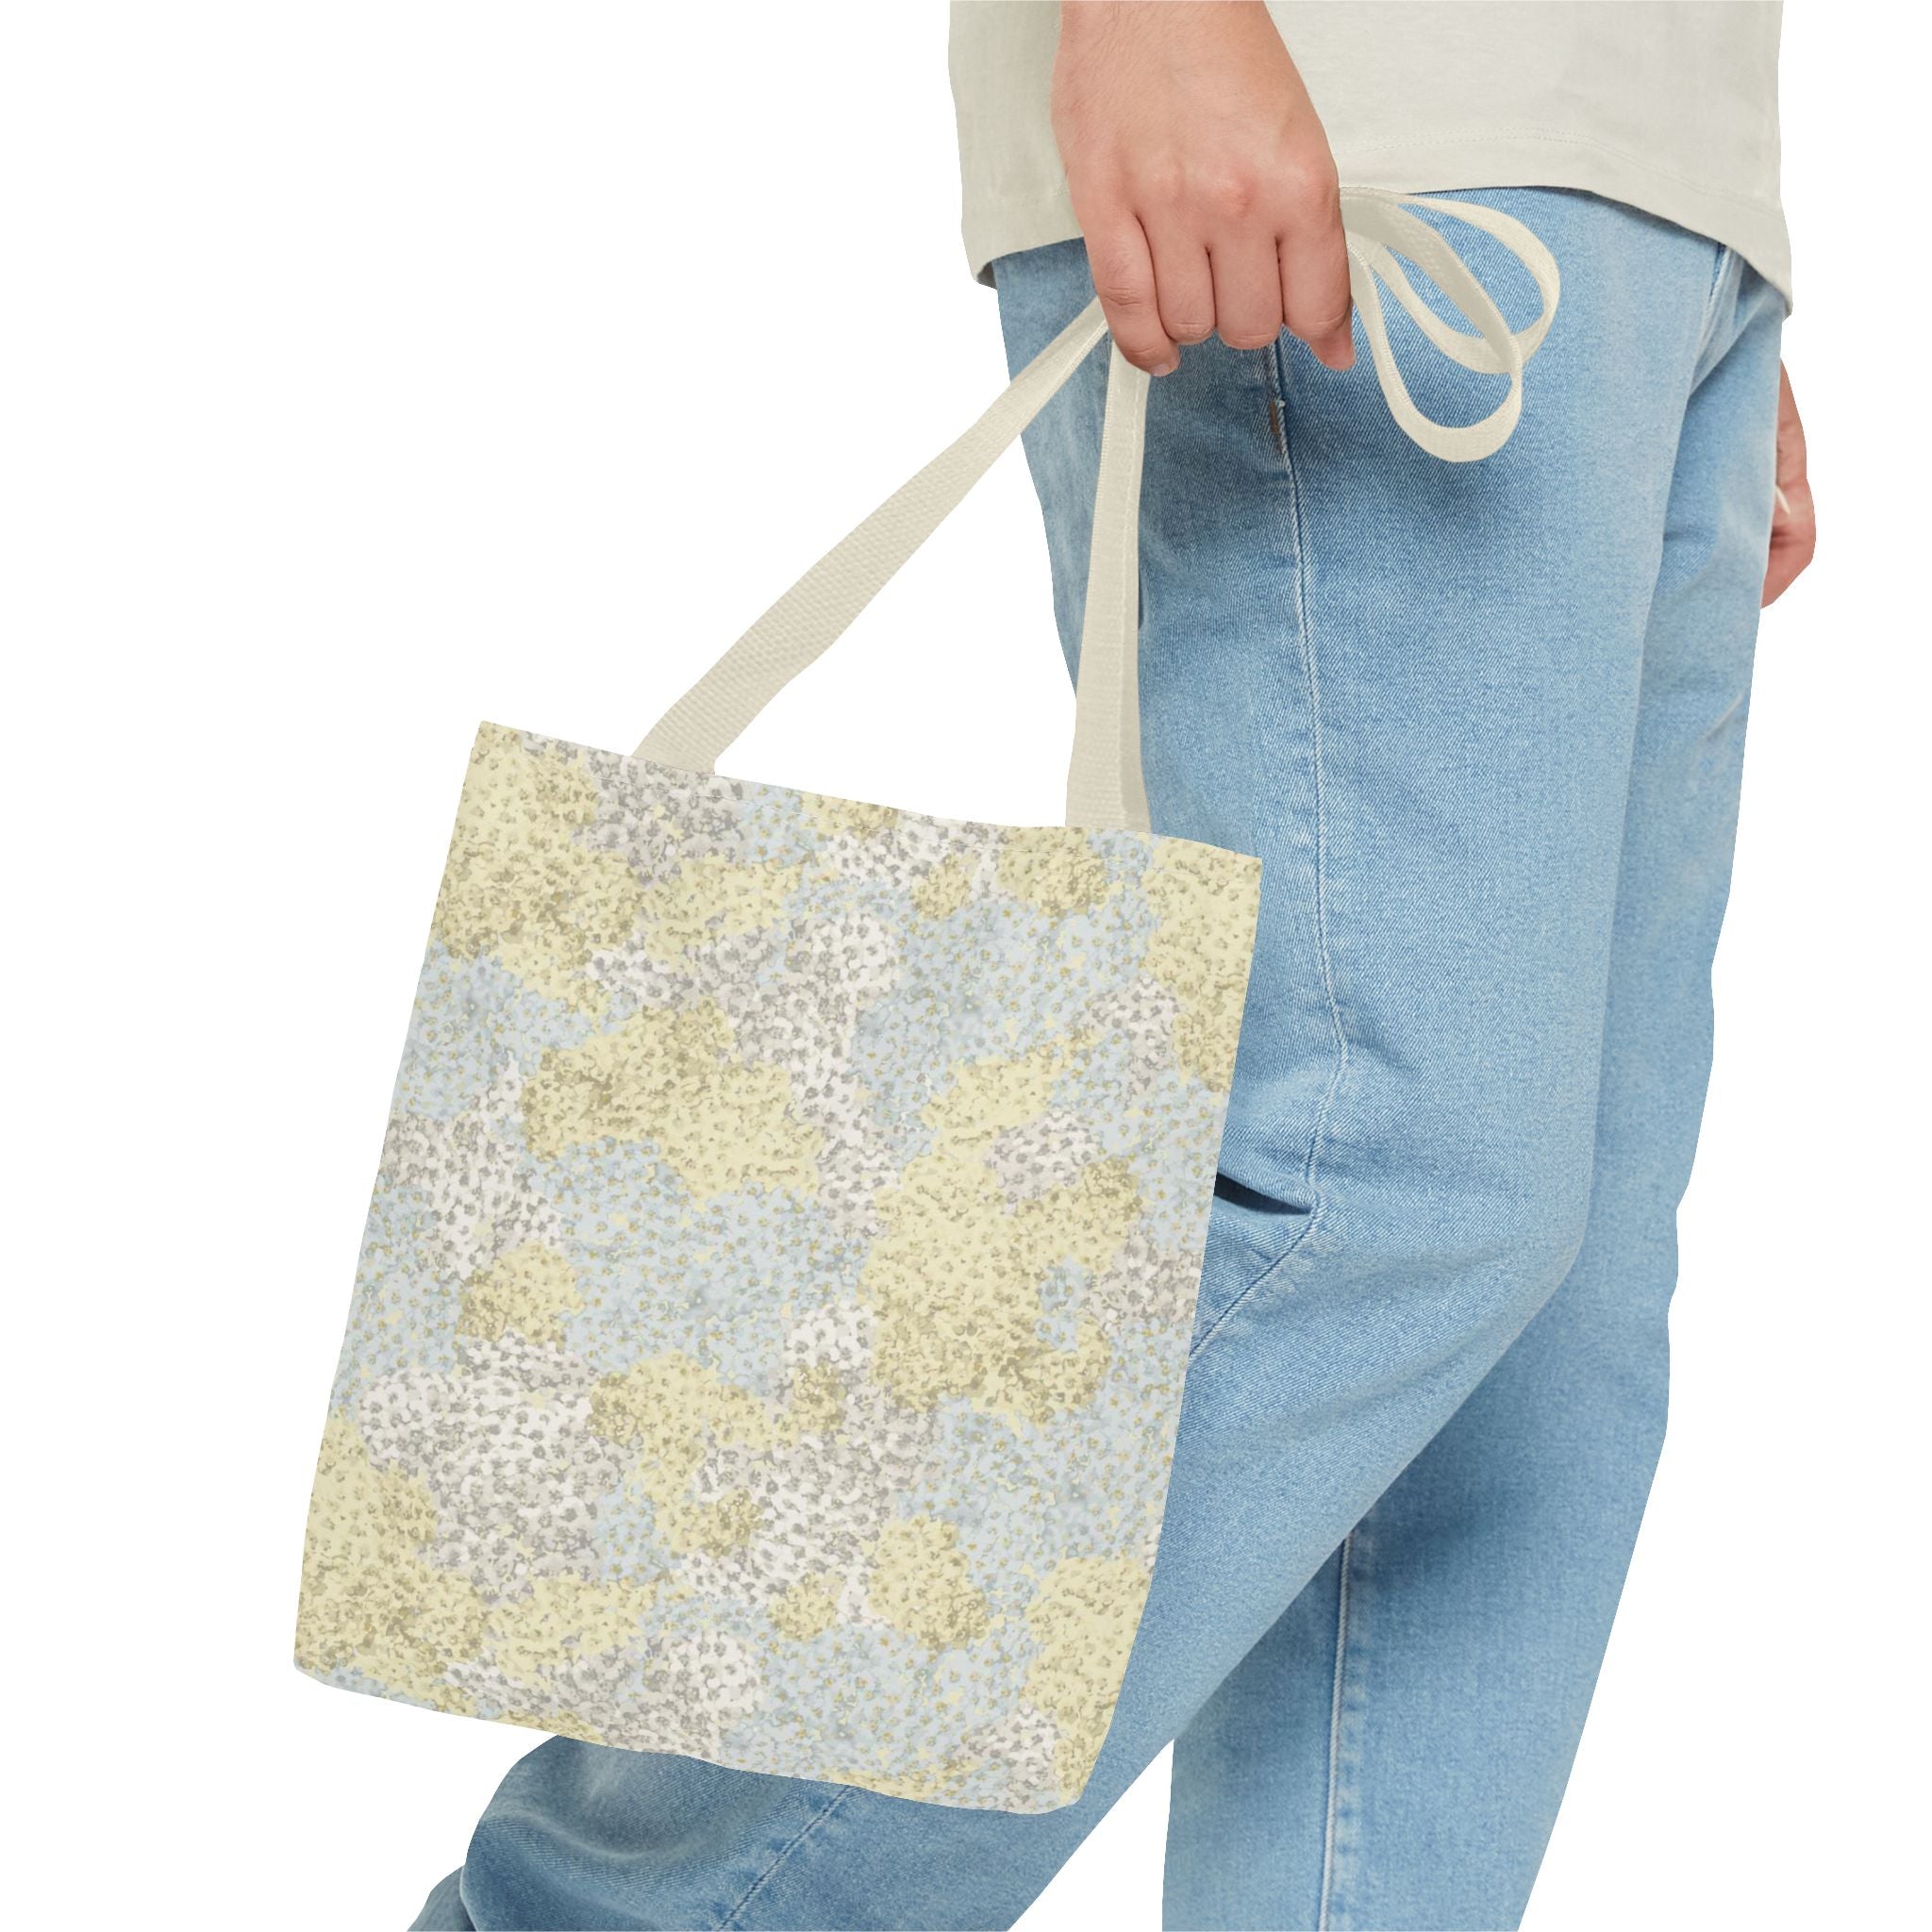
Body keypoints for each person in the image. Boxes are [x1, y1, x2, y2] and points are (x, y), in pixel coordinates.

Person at [411, 5, 1814, 1926]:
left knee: (1532, 1360)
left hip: (1644, 187)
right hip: (1367, 117)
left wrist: (1697, 237)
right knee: (1368, 1193)